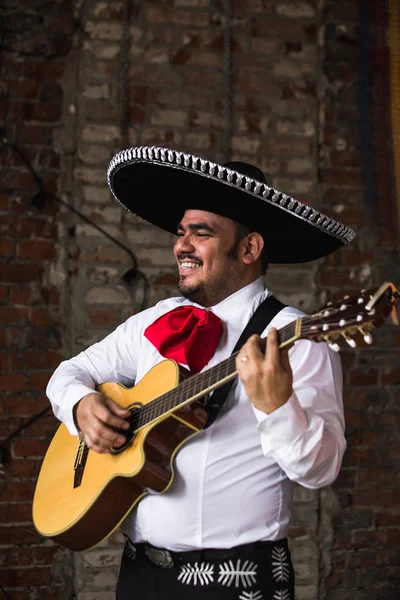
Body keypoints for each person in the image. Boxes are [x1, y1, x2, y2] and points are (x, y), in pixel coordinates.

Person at [46, 146, 355, 600]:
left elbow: (322, 470)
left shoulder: (298, 340)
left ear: (249, 248)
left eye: (201, 233)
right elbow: (67, 374)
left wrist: (277, 407)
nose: (181, 246)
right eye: (181, 232)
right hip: (137, 575)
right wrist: (81, 404)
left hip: (238, 581)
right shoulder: (157, 319)